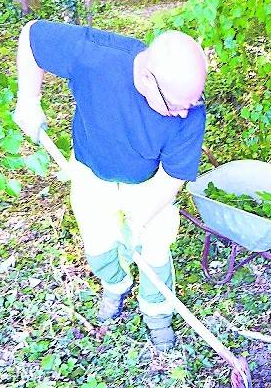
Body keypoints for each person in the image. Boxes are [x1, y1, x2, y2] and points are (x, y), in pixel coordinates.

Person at [13, 21, 207, 351]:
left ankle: (157, 316)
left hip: (150, 184)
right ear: (147, 78)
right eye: (175, 104)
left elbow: (172, 176)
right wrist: (28, 100)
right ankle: (115, 284)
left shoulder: (190, 111)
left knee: (155, 252)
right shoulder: (95, 57)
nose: (185, 111)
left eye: (193, 100)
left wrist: (141, 218)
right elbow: (32, 35)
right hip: (91, 175)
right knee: (99, 248)